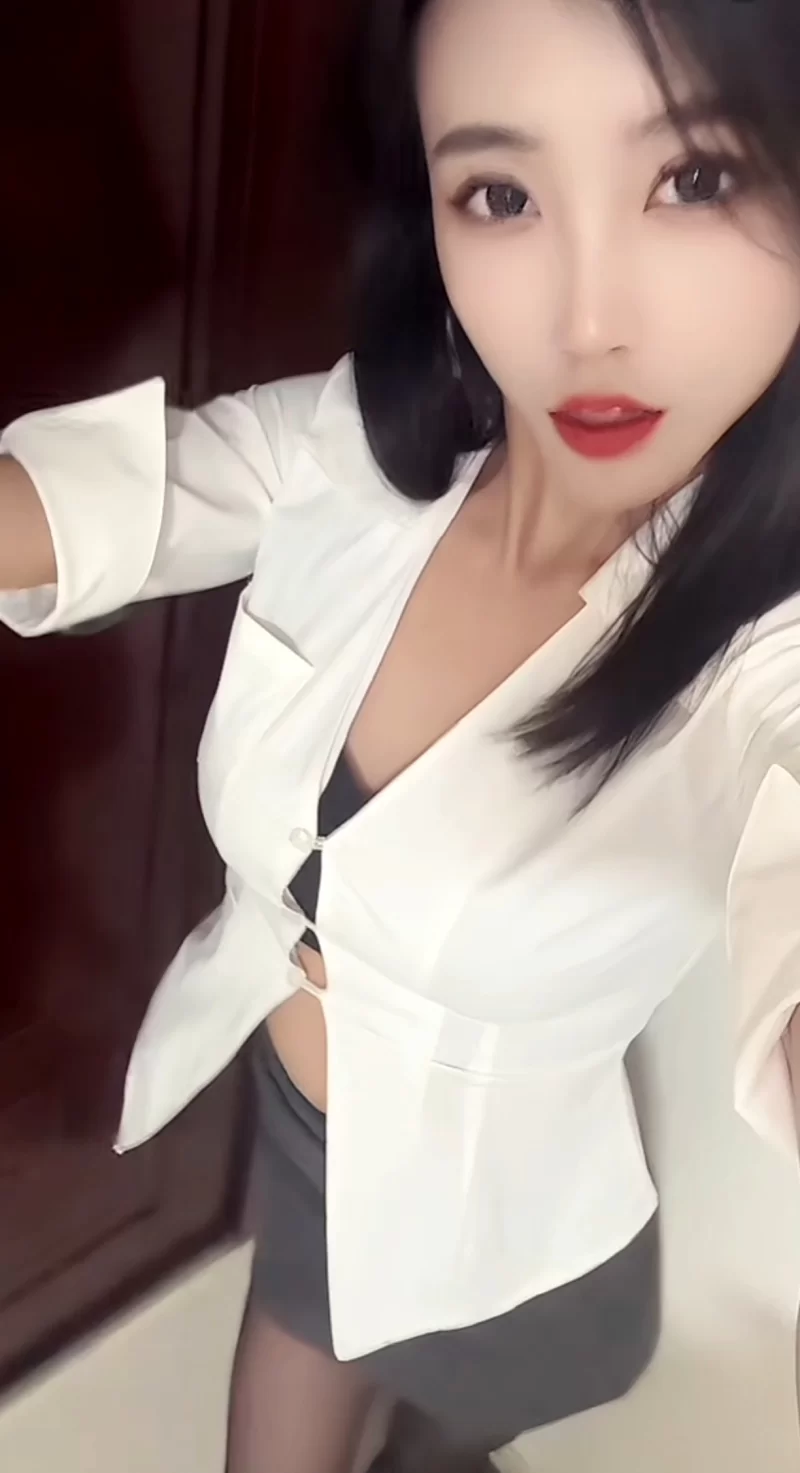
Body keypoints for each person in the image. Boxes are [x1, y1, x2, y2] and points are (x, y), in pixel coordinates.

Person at [3, 0, 800, 1467]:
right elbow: (122, 502)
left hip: (515, 1253)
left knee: (447, 1446)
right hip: (301, 1139)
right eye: (500, 194)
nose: (587, 320)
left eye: (694, 177)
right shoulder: (355, 455)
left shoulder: (769, 651)